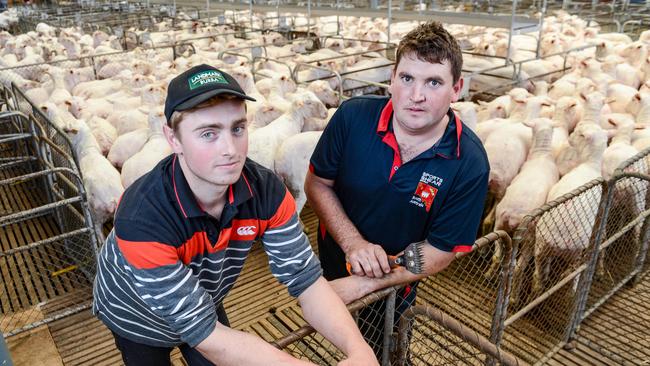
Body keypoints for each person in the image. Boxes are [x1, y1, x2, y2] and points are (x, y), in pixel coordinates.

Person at [92, 64, 377, 366]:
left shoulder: (265, 191)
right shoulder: (142, 218)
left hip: (203, 299)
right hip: (136, 315)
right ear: (173, 139)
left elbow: (305, 280)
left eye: (237, 128)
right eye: (208, 133)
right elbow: (204, 334)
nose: (230, 149)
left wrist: (359, 350)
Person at [305, 21, 490, 357]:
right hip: (335, 250)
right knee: (340, 333)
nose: (416, 96)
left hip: (398, 276)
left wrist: (367, 283)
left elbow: (440, 250)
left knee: (384, 341)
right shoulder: (352, 118)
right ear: (392, 78)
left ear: (456, 88)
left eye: (433, 82)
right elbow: (318, 183)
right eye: (407, 78)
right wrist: (353, 243)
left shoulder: (468, 162)